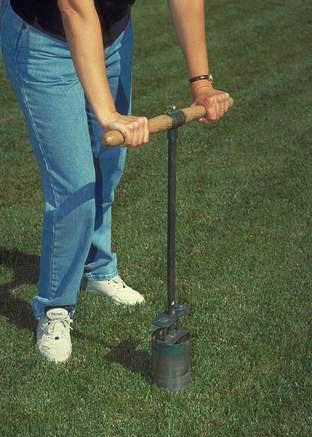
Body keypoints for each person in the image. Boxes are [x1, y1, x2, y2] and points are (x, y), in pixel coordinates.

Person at [0, 0, 232, 363]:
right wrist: (108, 114)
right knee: (74, 186)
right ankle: (55, 308)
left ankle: (98, 266)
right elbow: (75, 9)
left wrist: (202, 83)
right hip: (43, 38)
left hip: (113, 37)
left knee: (108, 167)